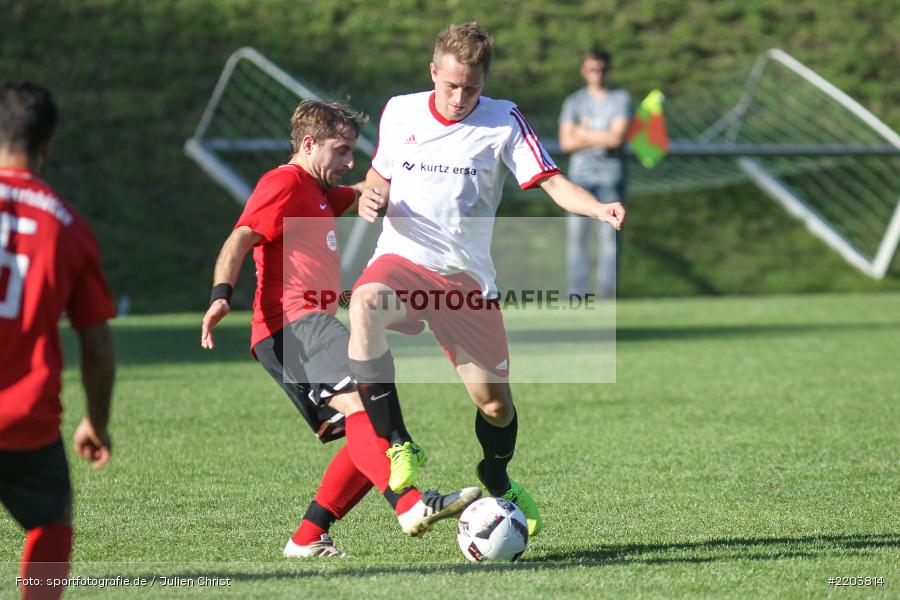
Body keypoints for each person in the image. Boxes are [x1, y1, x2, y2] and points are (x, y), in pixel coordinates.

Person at [350, 22, 627, 538]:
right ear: (434, 72)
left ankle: (495, 475)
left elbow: (549, 179)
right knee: (365, 302)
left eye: (471, 87)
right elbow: (379, 176)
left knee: (495, 406)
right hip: (403, 261)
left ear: (485, 80)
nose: (459, 98)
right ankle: (399, 443)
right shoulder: (399, 111)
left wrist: (596, 208)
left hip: (466, 281)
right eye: (450, 85)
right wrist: (370, 193)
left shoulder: (503, 120)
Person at [200, 100, 480, 558]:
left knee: (363, 421)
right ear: (308, 144)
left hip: (309, 326)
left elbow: (367, 187)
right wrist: (219, 295)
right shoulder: (283, 183)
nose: (350, 161)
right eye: (342, 150)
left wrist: (376, 191)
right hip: (292, 324)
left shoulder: (322, 190)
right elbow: (240, 237)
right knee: (367, 410)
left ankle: (308, 537)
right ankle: (410, 505)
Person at [0, 82, 117, 600]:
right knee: (50, 520)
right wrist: (96, 419)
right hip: (24, 417)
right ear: (48, 144)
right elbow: (96, 345)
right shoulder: (66, 224)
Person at [558, 47, 632, 299]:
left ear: (607, 71)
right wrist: (599, 136)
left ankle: (606, 293)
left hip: (610, 178)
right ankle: (576, 293)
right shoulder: (574, 102)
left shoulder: (620, 99)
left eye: (600, 69)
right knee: (577, 238)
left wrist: (582, 132)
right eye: (591, 69)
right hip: (580, 179)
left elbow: (615, 138)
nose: (596, 74)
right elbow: (566, 143)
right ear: (584, 70)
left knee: (609, 238)